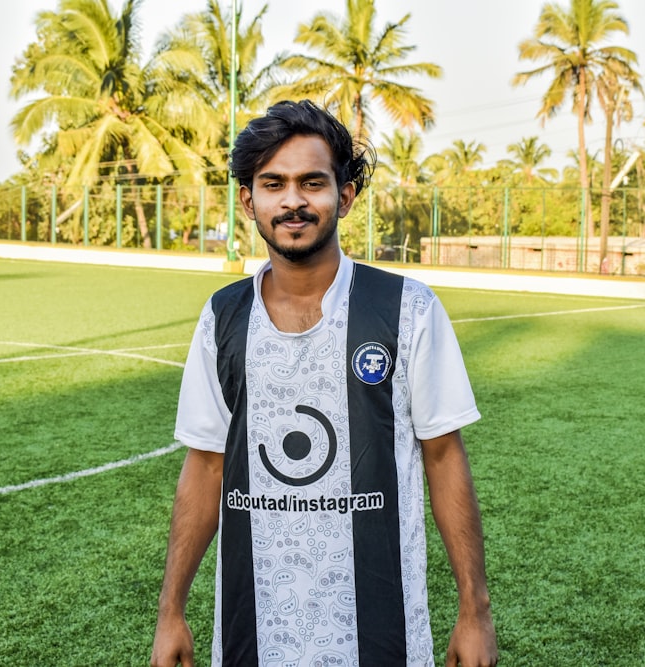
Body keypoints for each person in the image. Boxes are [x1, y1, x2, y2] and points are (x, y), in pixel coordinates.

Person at [151, 99, 497, 667]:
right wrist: (171, 611)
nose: (292, 201)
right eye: (273, 184)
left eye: (312, 182)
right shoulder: (222, 317)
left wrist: (474, 610)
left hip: (382, 637)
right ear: (249, 201)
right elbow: (207, 464)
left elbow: (442, 456)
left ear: (346, 195)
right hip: (251, 633)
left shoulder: (407, 309)